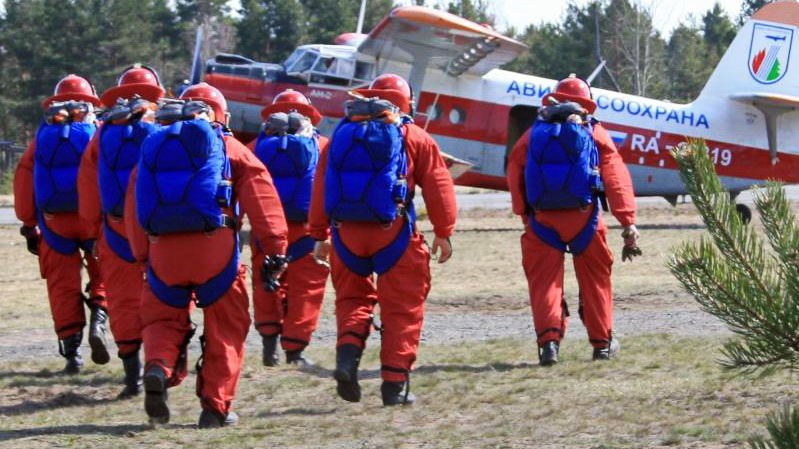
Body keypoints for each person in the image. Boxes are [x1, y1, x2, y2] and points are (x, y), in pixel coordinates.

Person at [123, 83, 288, 427]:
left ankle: (158, 367)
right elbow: (262, 194)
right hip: (215, 250)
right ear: (219, 113)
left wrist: (143, 257)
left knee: (161, 320)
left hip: (163, 253)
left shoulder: (155, 145)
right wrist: (275, 248)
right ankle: (215, 408)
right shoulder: (229, 147)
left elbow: (133, 205)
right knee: (227, 328)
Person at [308, 74, 457, 406]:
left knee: (351, 302)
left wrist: (319, 234)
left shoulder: (339, 137)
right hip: (394, 234)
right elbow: (439, 186)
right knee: (402, 308)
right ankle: (395, 386)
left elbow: (320, 188)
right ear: (406, 103)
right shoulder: (415, 137)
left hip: (346, 235)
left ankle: (347, 360)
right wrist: (444, 232)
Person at [506, 75, 641, 366]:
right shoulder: (595, 131)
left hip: (542, 221)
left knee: (545, 284)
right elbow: (616, 177)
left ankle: (549, 346)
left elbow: (514, 170)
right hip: (586, 219)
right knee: (596, 281)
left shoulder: (534, 133)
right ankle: (602, 344)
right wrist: (627, 221)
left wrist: (524, 215)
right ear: (586, 105)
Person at [78, 64, 164, 397]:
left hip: (114, 230)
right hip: (158, 230)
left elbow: (87, 186)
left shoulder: (103, 131)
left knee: (123, 302)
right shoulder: (166, 125)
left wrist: (91, 232)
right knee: (163, 298)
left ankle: (133, 379)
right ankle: (162, 365)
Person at [14, 74, 109, 374]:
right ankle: (99, 319)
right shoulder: (99, 130)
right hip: (92, 219)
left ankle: (72, 353)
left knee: (61, 286)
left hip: (54, 223)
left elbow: (23, 178)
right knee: (102, 273)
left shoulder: (44, 135)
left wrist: (30, 223)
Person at [250, 90, 329, 367]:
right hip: (309, 231)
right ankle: (295, 352)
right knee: (306, 289)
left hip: (266, 230)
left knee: (267, 283)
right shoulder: (324, 146)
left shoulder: (255, 148)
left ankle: (269, 346)